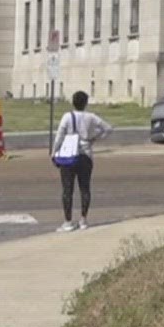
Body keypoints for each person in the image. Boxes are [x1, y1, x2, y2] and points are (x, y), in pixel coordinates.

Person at [53, 90, 112, 232]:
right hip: (86, 155)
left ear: (73, 102)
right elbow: (108, 128)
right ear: (86, 103)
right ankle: (83, 220)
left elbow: (60, 136)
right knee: (85, 188)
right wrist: (94, 138)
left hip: (69, 155)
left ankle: (68, 222)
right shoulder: (91, 117)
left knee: (67, 189)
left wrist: (55, 152)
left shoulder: (67, 117)